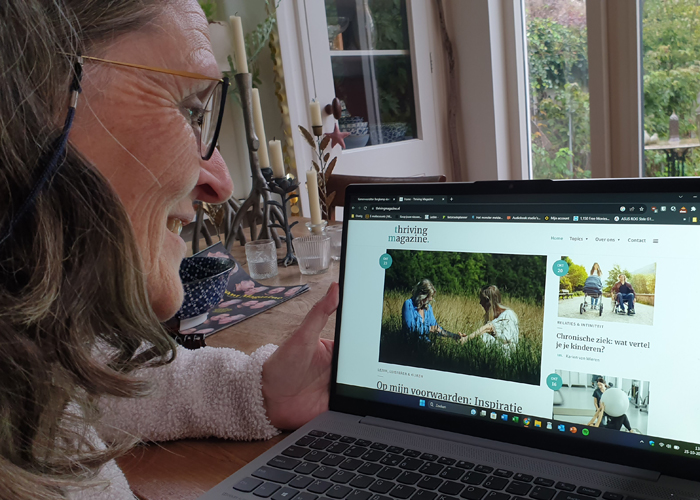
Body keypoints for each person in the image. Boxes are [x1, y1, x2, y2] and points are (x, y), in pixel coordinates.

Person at [0, 1, 338, 498]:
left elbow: (92, 382)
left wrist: (261, 389)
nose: (220, 184)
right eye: (189, 109)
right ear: (21, 102)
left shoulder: (23, 356)